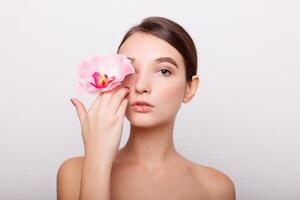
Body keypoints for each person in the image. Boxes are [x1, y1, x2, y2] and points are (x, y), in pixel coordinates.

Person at [57, 16, 236, 200]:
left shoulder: (215, 189)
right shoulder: (74, 173)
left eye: (164, 71)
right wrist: (97, 160)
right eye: (130, 70)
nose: (141, 85)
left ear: (190, 88)